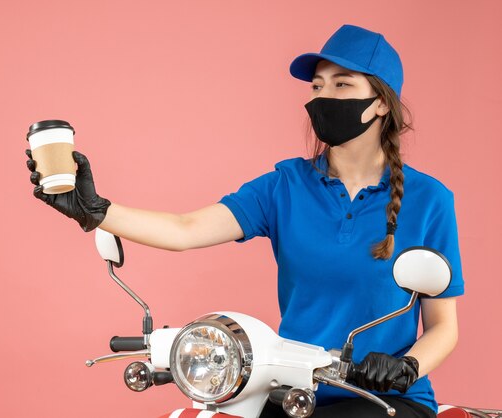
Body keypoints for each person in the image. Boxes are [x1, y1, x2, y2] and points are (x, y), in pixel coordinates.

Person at [25, 24, 464, 418]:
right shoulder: (285, 185)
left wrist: (406, 367)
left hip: (382, 399)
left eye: (342, 84)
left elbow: (443, 326)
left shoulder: (430, 200)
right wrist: (95, 210)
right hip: (297, 389)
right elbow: (186, 230)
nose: (322, 97)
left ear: (380, 104)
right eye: (317, 85)